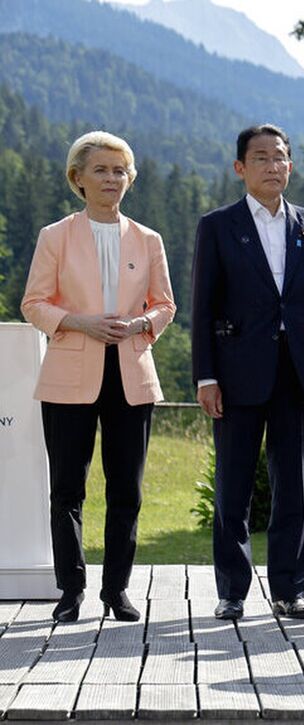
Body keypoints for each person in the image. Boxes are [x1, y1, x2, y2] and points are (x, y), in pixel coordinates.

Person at [21, 131, 177, 622]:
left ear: (130, 179)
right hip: (68, 375)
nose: (112, 178)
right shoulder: (55, 236)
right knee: (68, 489)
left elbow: (165, 305)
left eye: (120, 171)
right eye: (102, 170)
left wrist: (141, 324)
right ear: (78, 178)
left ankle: (117, 590)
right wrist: (79, 322)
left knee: (126, 490)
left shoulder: (148, 239)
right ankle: (71, 590)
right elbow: (33, 304)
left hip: (132, 374)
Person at [191, 124, 304, 621]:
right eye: (261, 157)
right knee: (232, 487)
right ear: (240, 167)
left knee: (291, 487)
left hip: (298, 372)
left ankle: (289, 590)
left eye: (280, 157)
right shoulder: (218, 225)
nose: (272, 166)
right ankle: (232, 592)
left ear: (290, 166)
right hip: (236, 373)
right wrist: (206, 377)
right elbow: (203, 306)